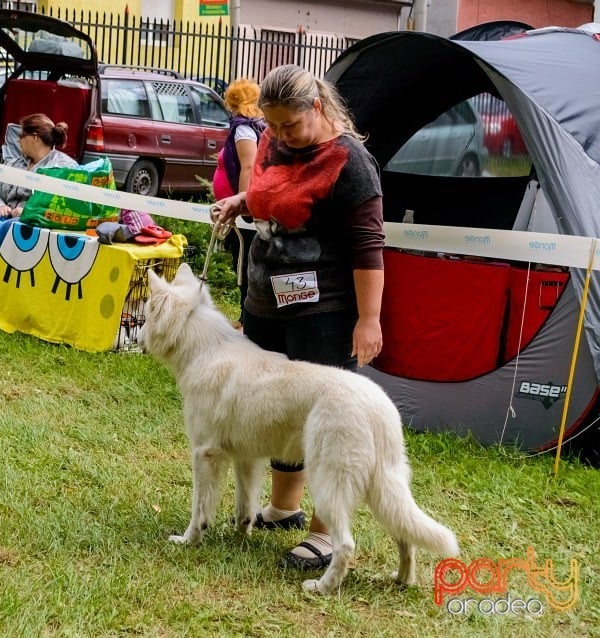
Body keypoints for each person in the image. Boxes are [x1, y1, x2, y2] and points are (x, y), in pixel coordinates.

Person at [211, 64, 384, 570]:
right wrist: (240, 201)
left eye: (290, 126)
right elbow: (271, 192)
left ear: (319, 108)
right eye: (273, 126)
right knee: (276, 410)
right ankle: (285, 507)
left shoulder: (351, 163)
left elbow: (368, 247)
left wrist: (368, 319)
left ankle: (328, 533)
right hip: (266, 300)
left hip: (324, 312)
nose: (280, 136)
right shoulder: (272, 138)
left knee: (325, 420)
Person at [0, 113, 78, 298]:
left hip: (36, 223)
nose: (18, 140)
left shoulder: (64, 167)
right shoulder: (14, 162)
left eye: (22, 135)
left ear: (34, 138)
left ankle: (13, 297)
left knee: (8, 230)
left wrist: (27, 211)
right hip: (2, 217)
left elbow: (63, 205)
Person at [211, 78, 266, 325]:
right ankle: (246, 317)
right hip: (236, 210)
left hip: (242, 214)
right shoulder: (250, 125)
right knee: (243, 262)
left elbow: (248, 166)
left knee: (243, 263)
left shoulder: (243, 127)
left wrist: (243, 206)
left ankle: (247, 320)